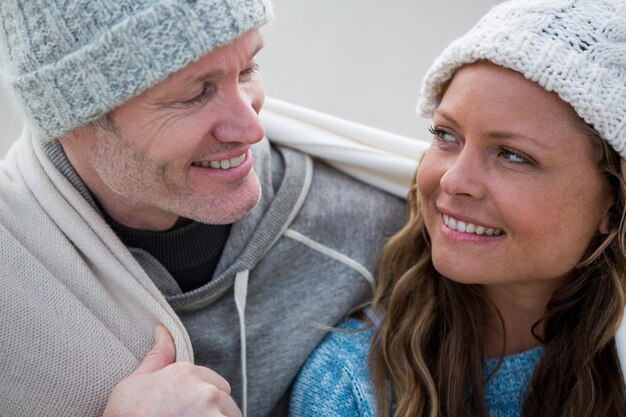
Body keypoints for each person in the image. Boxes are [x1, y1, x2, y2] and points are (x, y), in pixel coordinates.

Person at [0, 1, 408, 416]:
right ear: (70, 116)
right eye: (194, 95)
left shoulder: (379, 235)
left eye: (248, 69)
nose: (252, 128)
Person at [289, 0, 626, 416]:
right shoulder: (355, 383)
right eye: (446, 135)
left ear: (614, 204)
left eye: (513, 155)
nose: (453, 181)